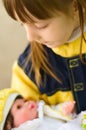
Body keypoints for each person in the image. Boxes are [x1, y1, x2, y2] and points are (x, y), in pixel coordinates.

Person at [2, 0, 86, 113]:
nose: (30, 37)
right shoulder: (27, 70)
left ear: (75, 6)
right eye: (22, 24)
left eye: (40, 25)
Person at [0, 88, 76, 130]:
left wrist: (64, 109)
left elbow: (55, 112)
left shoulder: (43, 111)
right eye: (19, 107)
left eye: (25, 101)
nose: (27, 103)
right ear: (8, 126)